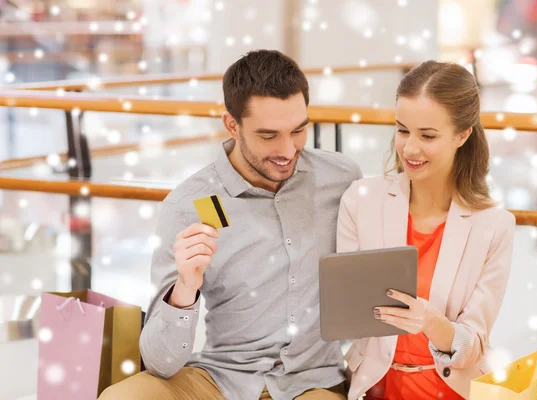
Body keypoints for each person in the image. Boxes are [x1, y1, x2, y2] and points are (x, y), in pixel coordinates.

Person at [99, 49, 362, 400]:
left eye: (298, 130)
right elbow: (161, 363)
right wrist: (185, 288)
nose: (288, 149)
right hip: (223, 378)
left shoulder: (341, 178)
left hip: (312, 381)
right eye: (269, 136)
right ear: (232, 124)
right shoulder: (189, 204)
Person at [336, 60, 515, 400]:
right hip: (374, 387)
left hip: (451, 389)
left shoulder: (494, 226)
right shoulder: (361, 200)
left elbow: (473, 345)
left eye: (428, 135)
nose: (410, 148)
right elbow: (347, 310)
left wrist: (433, 324)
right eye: (403, 130)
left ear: (462, 134)